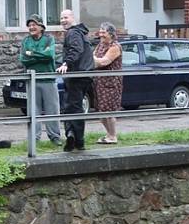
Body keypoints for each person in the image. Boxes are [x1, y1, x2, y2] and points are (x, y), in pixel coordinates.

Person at [19, 14, 61, 145]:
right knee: (33, 110)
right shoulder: (26, 41)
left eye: (34, 25)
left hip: (48, 78)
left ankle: (55, 137)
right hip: (32, 80)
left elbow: (49, 55)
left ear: (41, 27)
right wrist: (39, 55)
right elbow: (23, 59)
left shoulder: (49, 39)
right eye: (29, 25)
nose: (31, 27)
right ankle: (34, 138)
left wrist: (32, 54)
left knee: (52, 110)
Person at [56, 8, 94, 152]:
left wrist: (66, 63)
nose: (63, 21)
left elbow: (75, 50)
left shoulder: (73, 33)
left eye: (66, 17)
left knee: (71, 107)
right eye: (61, 18)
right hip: (84, 75)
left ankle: (77, 139)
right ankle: (74, 136)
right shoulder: (81, 33)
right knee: (74, 106)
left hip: (76, 75)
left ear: (73, 18)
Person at [93, 22, 123, 144]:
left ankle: (113, 136)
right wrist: (93, 60)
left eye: (103, 32)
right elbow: (94, 57)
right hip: (99, 82)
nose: (101, 34)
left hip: (111, 83)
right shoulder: (100, 45)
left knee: (109, 111)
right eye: (100, 31)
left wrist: (92, 60)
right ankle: (109, 134)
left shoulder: (115, 47)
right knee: (101, 112)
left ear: (111, 34)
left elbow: (104, 62)